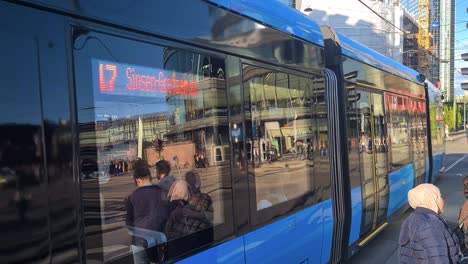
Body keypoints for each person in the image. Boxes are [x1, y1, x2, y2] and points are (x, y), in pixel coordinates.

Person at [399, 183, 460, 263]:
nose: (443, 200)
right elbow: (437, 260)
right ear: (432, 199)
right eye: (440, 196)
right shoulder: (430, 225)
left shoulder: (415, 217)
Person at [126, 159, 169, 264]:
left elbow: (129, 224)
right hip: (158, 240)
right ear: (149, 178)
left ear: (138, 180)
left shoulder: (132, 197)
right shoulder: (161, 192)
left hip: (139, 242)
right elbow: (166, 215)